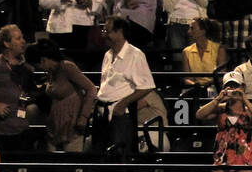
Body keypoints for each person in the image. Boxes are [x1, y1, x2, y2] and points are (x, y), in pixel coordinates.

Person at [92, 15, 164, 161]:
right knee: (99, 153)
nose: (104, 34)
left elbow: (147, 85)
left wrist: (123, 104)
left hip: (120, 113)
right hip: (102, 112)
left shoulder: (135, 55)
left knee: (119, 154)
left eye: (107, 31)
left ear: (119, 32)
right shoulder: (107, 54)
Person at [26, 38, 96, 151]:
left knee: (71, 164)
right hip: (55, 126)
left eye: (36, 65)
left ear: (43, 60)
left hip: (72, 127)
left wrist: (83, 117)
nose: (37, 68)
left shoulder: (67, 67)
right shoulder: (51, 72)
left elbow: (91, 89)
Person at [196, 73, 252, 172]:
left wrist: (245, 100)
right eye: (230, 86)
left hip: (247, 156)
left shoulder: (251, 108)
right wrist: (218, 99)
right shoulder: (220, 108)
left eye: (236, 86)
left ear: (243, 87)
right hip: (224, 157)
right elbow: (199, 115)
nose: (233, 89)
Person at [0, 25, 42, 167]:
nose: (23, 41)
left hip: (21, 130)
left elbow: (31, 93)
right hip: (0, 132)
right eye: (18, 38)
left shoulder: (27, 68)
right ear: (6, 43)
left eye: (22, 37)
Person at [181, 15, 228, 90]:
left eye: (192, 28)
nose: (189, 32)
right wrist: (196, 86)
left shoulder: (219, 49)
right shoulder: (186, 51)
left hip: (214, 88)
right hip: (195, 89)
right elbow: (187, 78)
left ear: (203, 31)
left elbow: (221, 77)